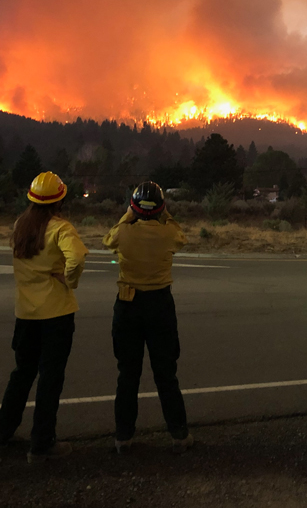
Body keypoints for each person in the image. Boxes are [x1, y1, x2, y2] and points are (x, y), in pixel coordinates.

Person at [0, 171, 88, 463]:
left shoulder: (22, 225)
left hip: (25, 313)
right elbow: (78, 258)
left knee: (22, 373)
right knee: (50, 378)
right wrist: (68, 280)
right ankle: (42, 443)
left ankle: (2, 433)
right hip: (56, 314)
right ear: (60, 199)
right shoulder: (61, 228)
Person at [103, 181, 191, 454]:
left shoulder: (123, 234)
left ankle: (123, 437)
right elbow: (181, 236)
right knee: (166, 374)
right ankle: (178, 434)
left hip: (128, 305)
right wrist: (165, 215)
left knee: (127, 374)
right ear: (161, 209)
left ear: (134, 208)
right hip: (160, 305)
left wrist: (129, 214)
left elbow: (109, 240)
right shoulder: (169, 234)